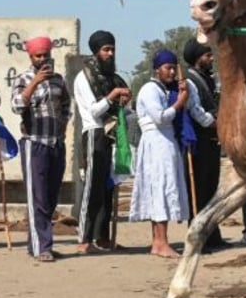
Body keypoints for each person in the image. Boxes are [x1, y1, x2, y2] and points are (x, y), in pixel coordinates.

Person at [128, 49, 214, 258]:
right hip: (156, 143)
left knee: (165, 190)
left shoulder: (168, 89)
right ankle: (160, 242)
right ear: (157, 70)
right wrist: (179, 102)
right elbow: (160, 117)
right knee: (159, 190)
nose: (172, 73)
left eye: (174, 68)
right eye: (168, 68)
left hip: (167, 143)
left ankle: (159, 241)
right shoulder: (150, 90)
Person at [11, 36, 72, 262]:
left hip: (55, 143)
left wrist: (64, 124)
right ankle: (42, 247)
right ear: (31, 57)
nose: (43, 59)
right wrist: (34, 82)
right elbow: (17, 106)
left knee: (50, 197)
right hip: (34, 143)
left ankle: (38, 243)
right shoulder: (23, 79)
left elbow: (66, 104)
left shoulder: (58, 80)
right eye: (38, 56)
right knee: (36, 196)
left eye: (46, 54)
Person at [73, 30, 131, 254]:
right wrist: (113, 94)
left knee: (108, 189)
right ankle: (84, 238)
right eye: (106, 50)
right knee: (92, 188)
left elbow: (120, 107)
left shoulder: (112, 77)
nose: (110, 53)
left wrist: (124, 99)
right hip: (95, 134)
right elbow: (95, 111)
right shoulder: (84, 77)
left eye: (112, 49)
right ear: (96, 52)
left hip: (113, 136)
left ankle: (103, 238)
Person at [182, 38, 230, 253]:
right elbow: (196, 112)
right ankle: (198, 238)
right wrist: (217, 122)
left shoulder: (208, 79)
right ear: (196, 58)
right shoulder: (191, 81)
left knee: (211, 191)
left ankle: (212, 236)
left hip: (211, 142)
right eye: (207, 55)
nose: (211, 59)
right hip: (198, 143)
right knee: (198, 192)